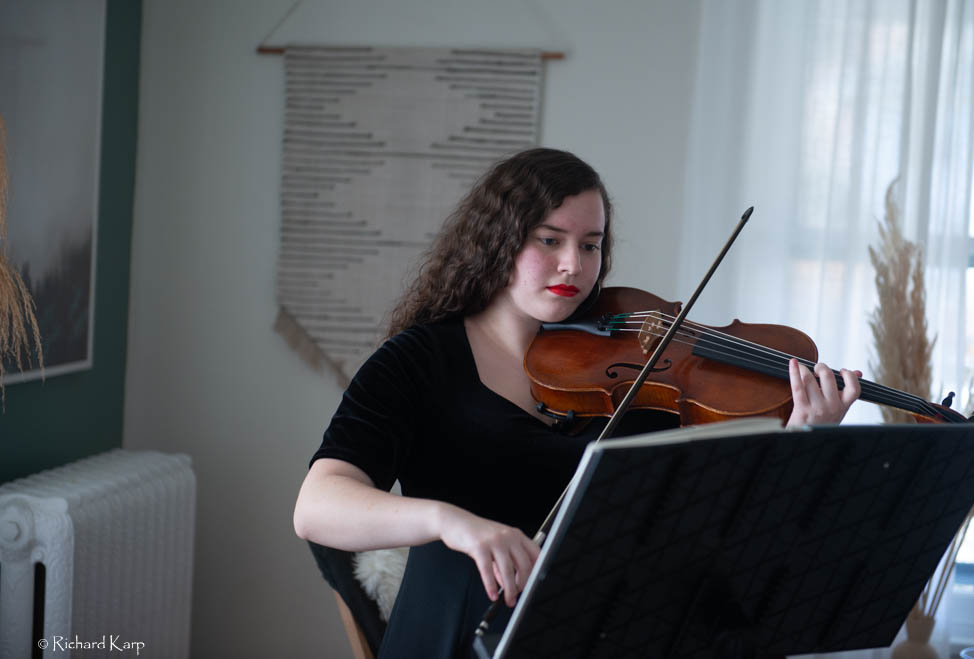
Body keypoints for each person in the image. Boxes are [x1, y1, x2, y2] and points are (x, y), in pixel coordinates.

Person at [293, 148, 862, 658]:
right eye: (550, 240)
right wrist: (450, 522)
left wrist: (801, 443)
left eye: (590, 245)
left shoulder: (637, 368)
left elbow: (709, 521)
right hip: (458, 636)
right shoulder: (419, 361)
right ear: (498, 239)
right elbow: (317, 506)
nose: (575, 264)